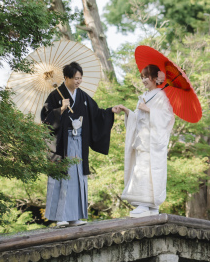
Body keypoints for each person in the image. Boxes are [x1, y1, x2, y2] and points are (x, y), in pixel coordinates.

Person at [41, 62, 121, 226]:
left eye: (80, 78)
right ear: (66, 78)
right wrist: (61, 110)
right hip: (62, 145)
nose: (78, 81)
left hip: (79, 142)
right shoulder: (55, 96)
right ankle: (60, 217)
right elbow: (46, 119)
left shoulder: (83, 97)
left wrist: (110, 111)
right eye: (76, 78)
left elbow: (97, 113)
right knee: (63, 177)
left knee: (77, 177)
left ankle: (74, 216)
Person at [117, 64, 175, 218]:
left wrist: (149, 110)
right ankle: (146, 205)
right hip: (142, 140)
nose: (144, 80)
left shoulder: (161, 96)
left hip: (153, 143)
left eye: (147, 77)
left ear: (155, 78)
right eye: (142, 77)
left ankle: (149, 204)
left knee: (149, 171)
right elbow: (137, 118)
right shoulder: (144, 96)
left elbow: (168, 118)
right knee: (140, 170)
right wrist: (127, 111)